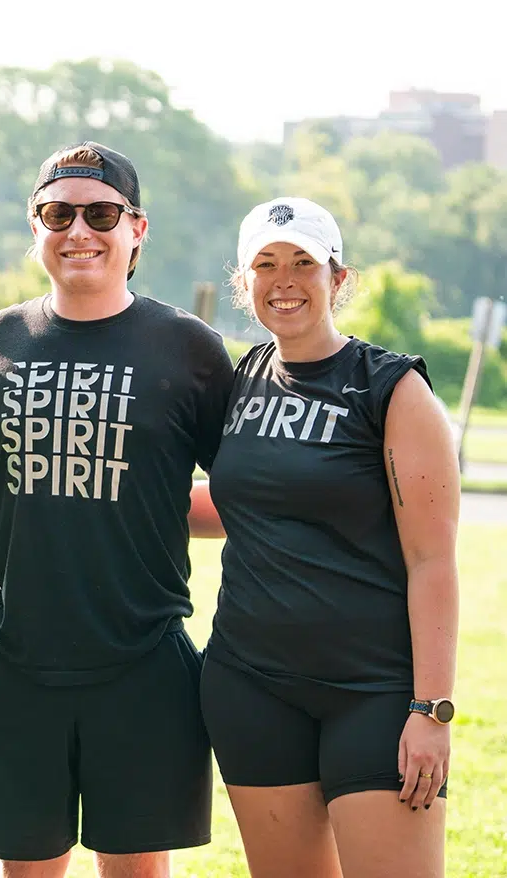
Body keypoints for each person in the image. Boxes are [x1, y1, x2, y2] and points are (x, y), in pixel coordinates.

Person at [0, 141, 235, 877]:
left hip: (141, 658)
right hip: (15, 657)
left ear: (137, 228)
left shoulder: (190, 348)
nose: (79, 230)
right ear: (34, 227)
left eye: (101, 212)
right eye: (58, 213)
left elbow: (242, 492)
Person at [197, 197, 458, 878]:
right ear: (244, 282)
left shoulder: (392, 389)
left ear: (338, 279)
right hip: (251, 686)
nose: (284, 279)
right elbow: (236, 505)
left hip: (373, 692)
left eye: (303, 263)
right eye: (266, 264)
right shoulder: (241, 380)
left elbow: (433, 561)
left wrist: (432, 709)